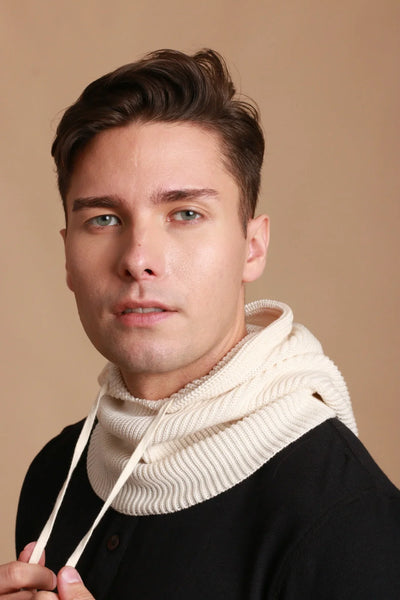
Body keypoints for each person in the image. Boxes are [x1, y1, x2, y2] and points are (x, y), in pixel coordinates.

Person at [1, 49, 400, 600]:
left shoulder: (345, 518)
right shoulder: (56, 474)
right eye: (104, 218)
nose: (138, 258)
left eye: (185, 214)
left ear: (252, 247)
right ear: (67, 255)